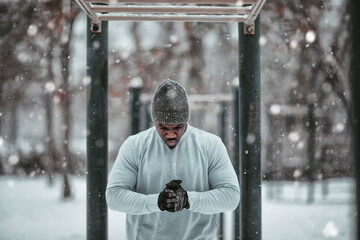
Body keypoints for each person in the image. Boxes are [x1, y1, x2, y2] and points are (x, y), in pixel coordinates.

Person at [106, 80, 240, 240]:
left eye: (177, 127)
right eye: (163, 127)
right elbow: (114, 196)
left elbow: (231, 196)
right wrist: (156, 202)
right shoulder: (135, 145)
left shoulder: (210, 145)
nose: (170, 134)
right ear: (154, 121)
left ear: (186, 121)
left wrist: (188, 199)